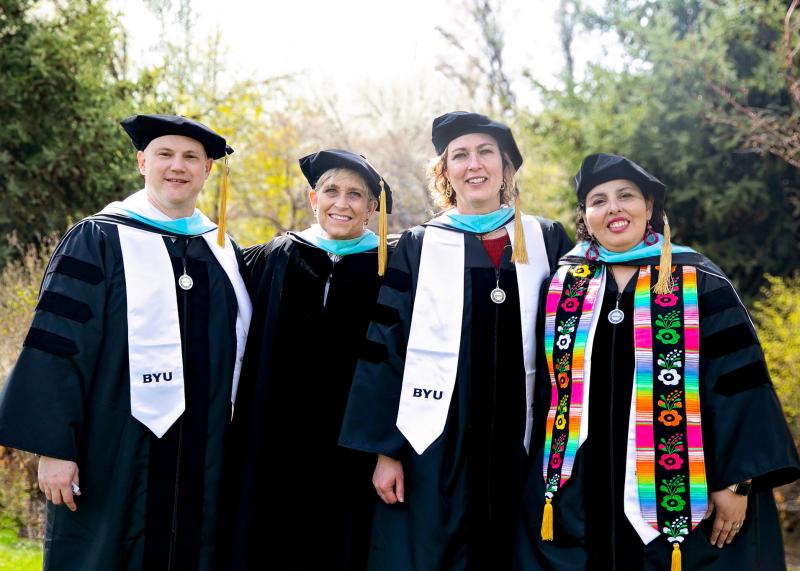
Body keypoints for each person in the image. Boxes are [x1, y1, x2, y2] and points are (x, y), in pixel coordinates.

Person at [515, 153, 800, 570]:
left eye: (625, 196)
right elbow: (548, 390)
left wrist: (737, 484)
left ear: (649, 208)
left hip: (684, 484)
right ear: (586, 215)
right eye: (598, 200)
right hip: (582, 490)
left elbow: (739, 384)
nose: (613, 207)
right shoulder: (565, 285)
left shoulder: (696, 279)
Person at [0, 114, 252, 570]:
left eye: (191, 157)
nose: (178, 166)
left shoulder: (223, 253)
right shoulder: (98, 239)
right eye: (165, 154)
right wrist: (54, 449)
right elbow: (58, 347)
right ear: (142, 161)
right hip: (112, 454)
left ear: (208, 170)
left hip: (202, 458)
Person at [339, 111, 572, 570]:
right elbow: (387, 345)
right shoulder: (420, 245)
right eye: (459, 155)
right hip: (437, 444)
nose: (474, 164)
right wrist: (387, 450)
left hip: (525, 441)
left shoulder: (545, 240)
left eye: (486, 152)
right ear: (445, 172)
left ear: (506, 167)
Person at [219, 149, 393, 570]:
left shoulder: (393, 266)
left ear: (372, 208)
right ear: (313, 200)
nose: (342, 203)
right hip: (272, 439)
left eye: (356, 194)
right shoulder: (276, 256)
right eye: (331, 190)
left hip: (352, 445)